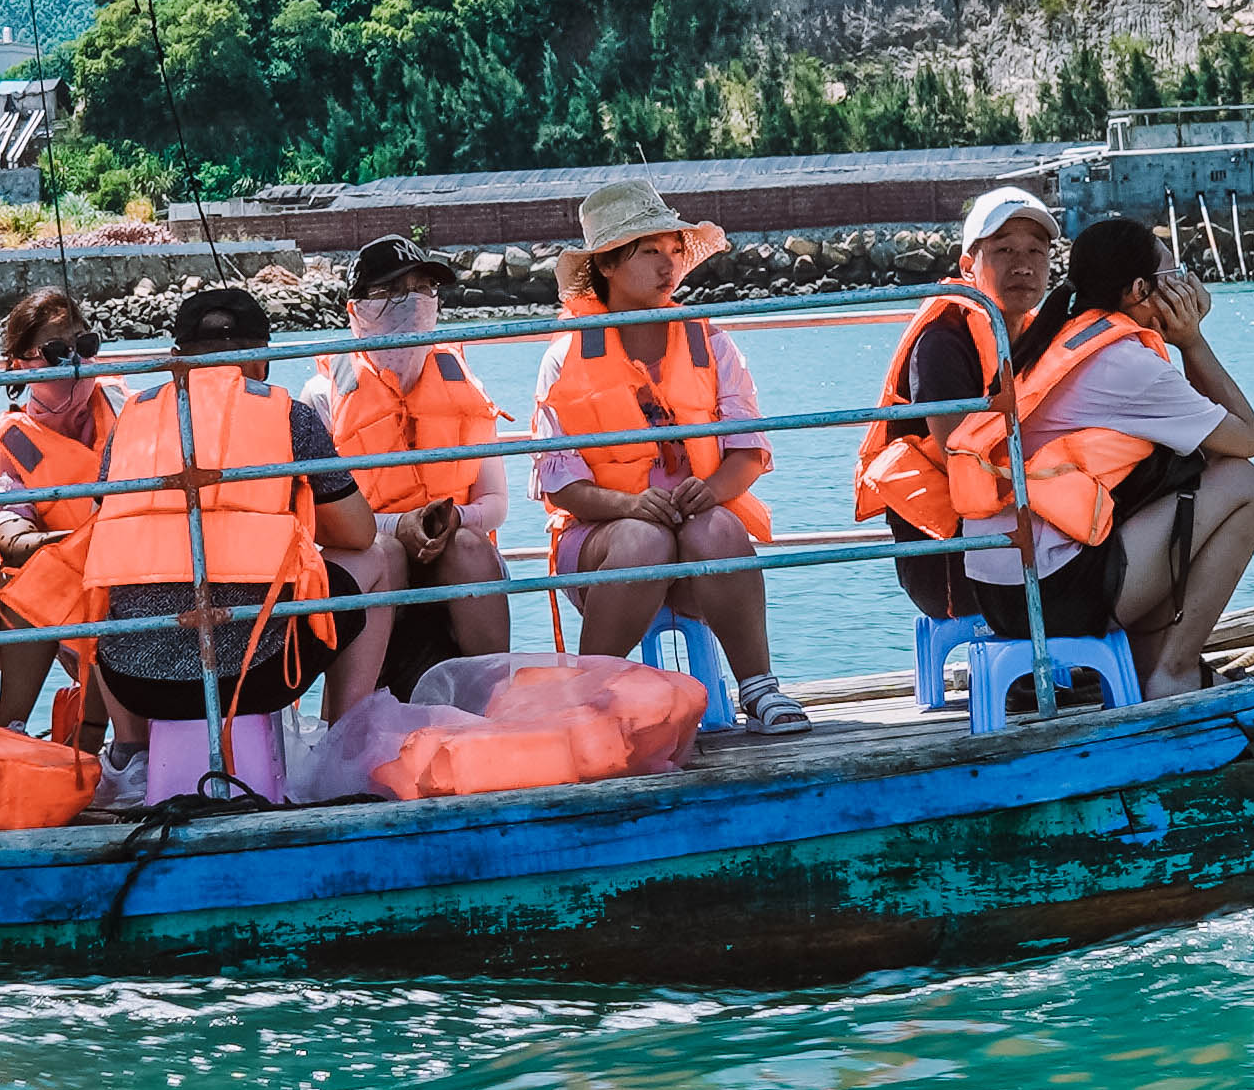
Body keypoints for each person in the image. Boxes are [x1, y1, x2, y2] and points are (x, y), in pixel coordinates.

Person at [945, 211, 1254, 697]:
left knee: (1181, 481)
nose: (1183, 285)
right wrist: (1192, 340)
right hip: (1049, 595)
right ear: (1140, 290)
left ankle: (1147, 663)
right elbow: (1247, 439)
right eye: (1171, 276)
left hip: (1004, 591)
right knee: (1244, 485)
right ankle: (1173, 671)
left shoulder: (1063, 335)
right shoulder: (1123, 362)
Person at [533, 176, 810, 736]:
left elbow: (748, 450)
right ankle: (590, 698)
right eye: (649, 252)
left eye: (674, 251)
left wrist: (713, 490)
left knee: (718, 530)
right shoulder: (563, 358)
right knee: (646, 539)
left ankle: (758, 689)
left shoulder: (712, 343)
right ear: (606, 267)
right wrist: (632, 505)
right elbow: (561, 485)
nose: (669, 266)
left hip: (699, 537)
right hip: (605, 544)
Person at [80, 282, 376, 762]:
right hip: (257, 675)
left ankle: (131, 753)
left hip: (134, 680)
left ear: (176, 358)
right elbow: (359, 534)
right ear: (262, 358)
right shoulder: (290, 417)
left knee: (115, 594)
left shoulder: (130, 422)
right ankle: (344, 745)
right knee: (377, 560)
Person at [852, 183, 1060, 624]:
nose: (1023, 265)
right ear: (969, 265)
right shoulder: (943, 342)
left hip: (1019, 524)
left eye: (1036, 252)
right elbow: (962, 459)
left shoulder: (1042, 337)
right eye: (1003, 250)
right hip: (951, 559)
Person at [320, 238, 509, 717]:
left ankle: (496, 704)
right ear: (357, 308)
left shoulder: (465, 382)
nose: (412, 302)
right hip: (372, 547)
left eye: (423, 288)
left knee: (470, 545)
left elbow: (497, 501)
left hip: (452, 541)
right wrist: (396, 526)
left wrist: (452, 519)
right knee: (381, 554)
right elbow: (317, 519)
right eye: (393, 291)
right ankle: (345, 726)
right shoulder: (323, 395)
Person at [0, 289, 115, 733]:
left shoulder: (130, 407)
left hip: (139, 578)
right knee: (28, 580)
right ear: (20, 364)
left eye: (85, 347)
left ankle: (110, 749)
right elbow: (11, 540)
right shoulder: (10, 442)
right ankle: (12, 731)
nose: (74, 363)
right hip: (65, 593)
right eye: (56, 352)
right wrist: (87, 543)